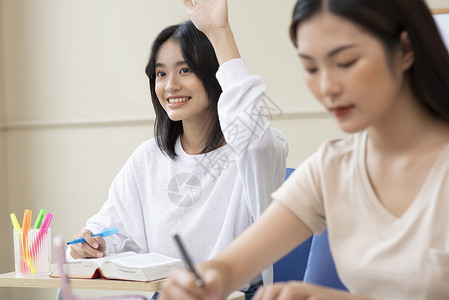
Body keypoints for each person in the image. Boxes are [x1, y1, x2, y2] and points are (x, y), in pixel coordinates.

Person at [160, 0, 449, 299]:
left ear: (404, 51)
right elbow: (231, 267)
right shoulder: (333, 167)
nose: (327, 87)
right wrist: (208, 279)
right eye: (311, 68)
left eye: (346, 62)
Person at [67, 13, 288, 300]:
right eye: (161, 73)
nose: (170, 85)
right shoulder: (148, 157)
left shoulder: (255, 151)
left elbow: (252, 135)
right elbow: (110, 228)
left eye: (184, 70)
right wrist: (93, 243)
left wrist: (220, 32)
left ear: (215, 74)